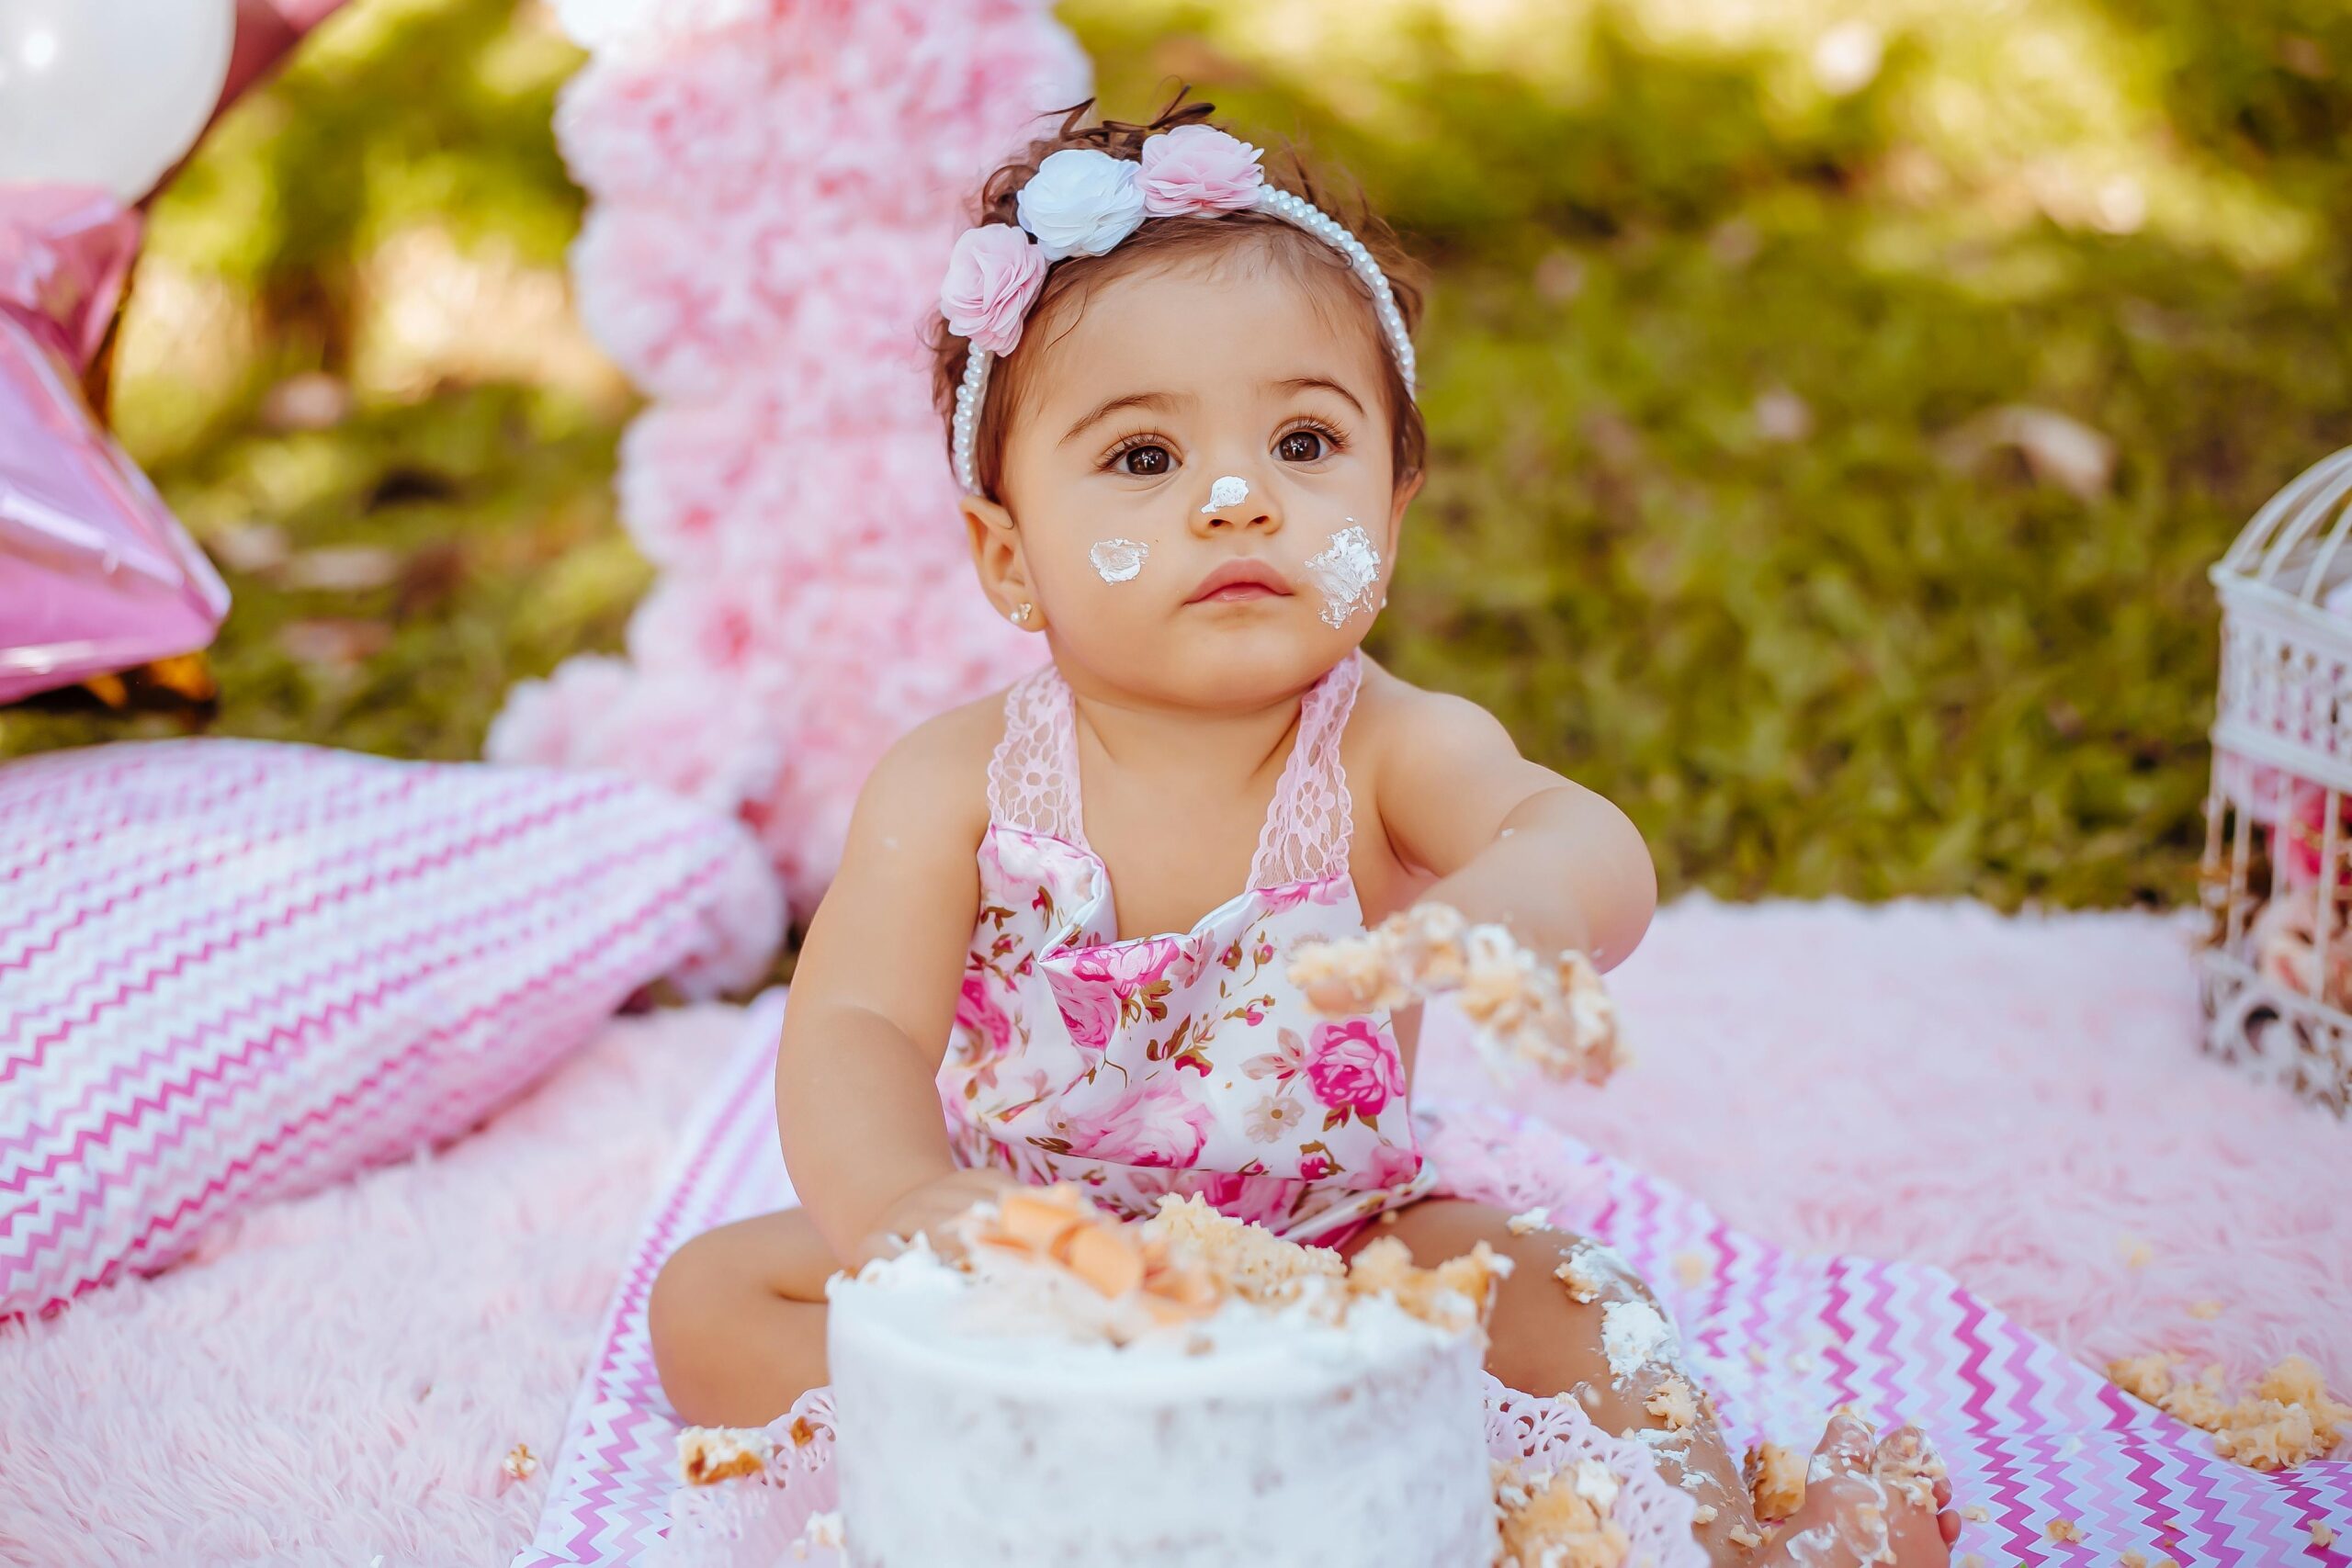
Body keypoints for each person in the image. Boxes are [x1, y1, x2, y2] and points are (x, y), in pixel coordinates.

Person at [649, 94, 1958, 1567]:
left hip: (1345, 1256)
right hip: (1043, 1266)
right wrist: (915, 1212)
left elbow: (1576, 831)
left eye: (1303, 441)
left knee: (1581, 1303)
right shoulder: (955, 785)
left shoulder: (1393, 750)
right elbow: (858, 1035)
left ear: (1390, 521)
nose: (1234, 498)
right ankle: (1106, 1468)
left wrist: (1512, 904)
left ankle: (1718, 1539)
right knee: (711, 1302)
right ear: (1008, 558)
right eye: (1143, 458)